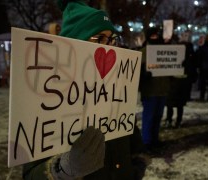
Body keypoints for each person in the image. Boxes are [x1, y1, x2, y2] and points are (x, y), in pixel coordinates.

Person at [22, 1, 147, 179]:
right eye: (100, 39)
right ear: (75, 44)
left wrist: (137, 162)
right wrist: (62, 170)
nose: (111, 46)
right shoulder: (48, 98)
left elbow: (129, 130)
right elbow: (29, 174)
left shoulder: (116, 86)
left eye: (112, 39)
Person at [139, 27, 170, 151]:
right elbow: (137, 74)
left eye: (157, 35)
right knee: (149, 117)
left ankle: (155, 140)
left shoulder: (165, 52)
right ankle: (146, 142)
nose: (155, 38)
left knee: (158, 116)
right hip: (150, 91)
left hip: (162, 90)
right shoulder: (142, 53)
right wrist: (144, 74)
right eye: (152, 36)